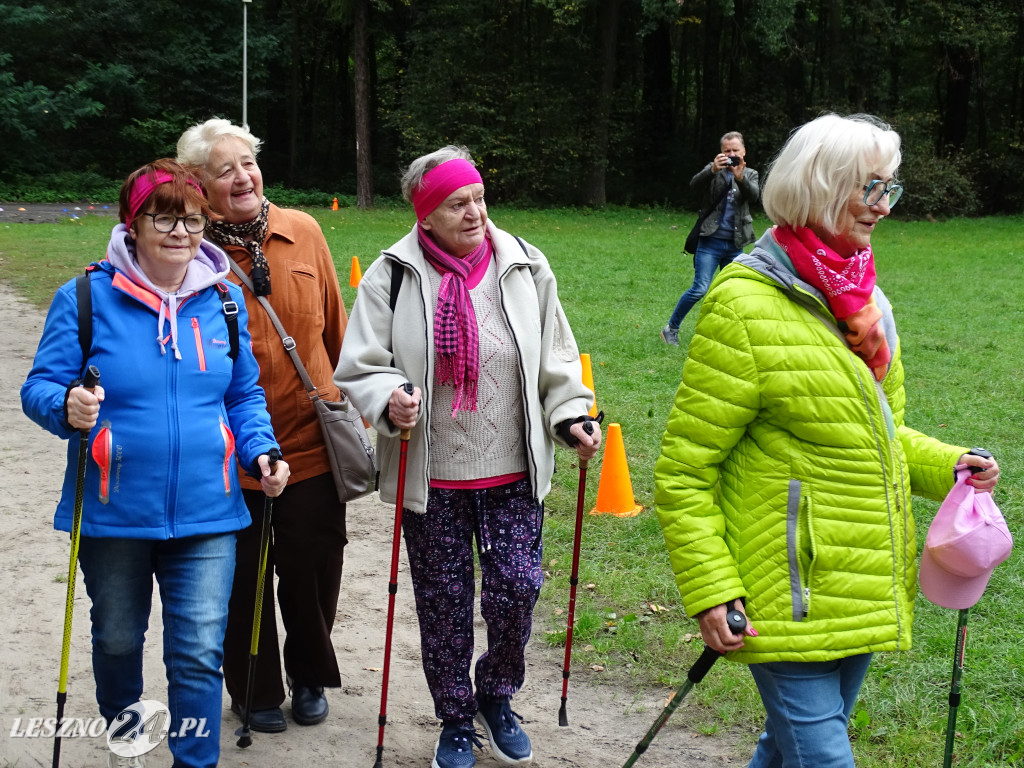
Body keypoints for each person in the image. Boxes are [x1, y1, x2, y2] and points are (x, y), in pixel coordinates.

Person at [653, 113, 1000, 768]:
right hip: (787, 597)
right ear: (821, 185)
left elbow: (884, 435)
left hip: (862, 579)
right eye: (870, 188)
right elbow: (683, 471)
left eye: (889, 189)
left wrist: (951, 463)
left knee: (789, 752)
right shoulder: (743, 305)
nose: (883, 207)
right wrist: (709, 588)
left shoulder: (867, 304)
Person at [334, 145, 602, 768]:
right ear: (426, 215)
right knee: (444, 602)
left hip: (513, 469)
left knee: (517, 587)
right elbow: (362, 364)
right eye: (458, 203)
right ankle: (455, 716)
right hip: (433, 475)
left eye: (479, 197)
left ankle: (496, 693)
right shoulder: (393, 275)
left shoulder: (525, 266)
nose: (475, 211)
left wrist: (572, 416)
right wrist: (390, 399)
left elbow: (556, 360)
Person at [21, 159, 290, 768]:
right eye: (164, 218)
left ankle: (194, 762)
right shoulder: (85, 297)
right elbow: (38, 387)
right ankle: (128, 738)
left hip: (209, 510)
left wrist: (261, 449)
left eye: (192, 220)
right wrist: (67, 404)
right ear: (133, 224)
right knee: (117, 639)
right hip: (114, 512)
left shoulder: (223, 300)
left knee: (196, 651)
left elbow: (242, 394)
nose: (180, 232)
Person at [176, 118, 349, 733]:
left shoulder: (303, 230)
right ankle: (253, 690)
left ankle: (308, 675)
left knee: (313, 565)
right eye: (225, 170)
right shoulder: (188, 251)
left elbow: (336, 329)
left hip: (308, 442)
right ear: (198, 184)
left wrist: (351, 400)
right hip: (223, 451)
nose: (243, 177)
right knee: (237, 577)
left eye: (247, 162)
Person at [661, 131, 759, 345]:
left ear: (744, 152)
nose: (731, 154)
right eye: (727, 151)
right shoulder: (713, 171)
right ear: (721, 152)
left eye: (735, 151)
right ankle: (671, 328)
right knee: (699, 288)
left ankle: (725, 334)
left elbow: (754, 196)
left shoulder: (750, 174)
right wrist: (713, 169)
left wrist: (740, 177)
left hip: (735, 244)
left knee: (733, 293)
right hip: (710, 241)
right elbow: (693, 186)